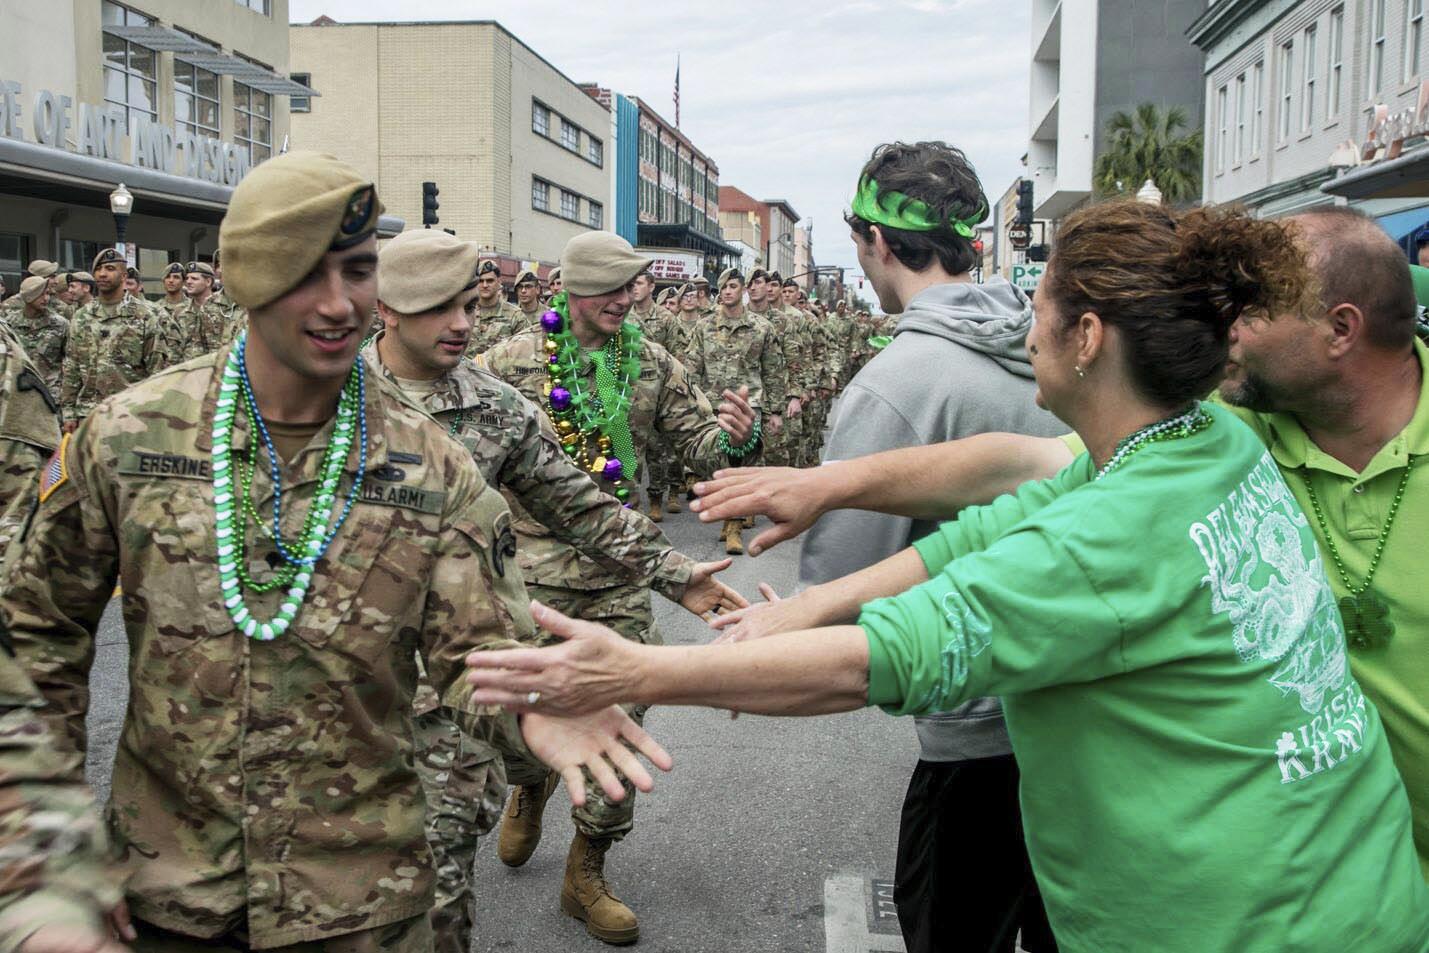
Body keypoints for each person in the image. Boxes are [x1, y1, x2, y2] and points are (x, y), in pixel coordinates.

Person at [468, 200, 1429, 953]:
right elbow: (1003, 492)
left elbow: (877, 663)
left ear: (1087, 338)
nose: (1022, 327)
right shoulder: (1203, 435)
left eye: (1039, 308)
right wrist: (811, 594)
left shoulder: (1115, 535)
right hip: (1342, 881)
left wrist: (634, 673)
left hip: (1243, 923)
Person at [3, 152, 668, 953]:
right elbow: (32, 642)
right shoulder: (127, 435)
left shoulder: (433, 463)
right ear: (243, 273)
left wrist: (535, 704)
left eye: (357, 271)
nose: (337, 303)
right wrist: (47, 861)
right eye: (302, 271)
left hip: (365, 903)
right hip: (164, 895)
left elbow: (478, 650)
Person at [696, 204, 1429, 883]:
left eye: (1253, 310)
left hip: (1322, 859)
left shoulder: (1145, 494)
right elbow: (1017, 470)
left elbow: (899, 652)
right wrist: (829, 494)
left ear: (1340, 329)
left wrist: (628, 674)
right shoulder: (1223, 425)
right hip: (1334, 843)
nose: (1226, 331)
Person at [362, 229, 746, 953]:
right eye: (436, 307)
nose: (460, 323)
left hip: (457, 666)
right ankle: (526, 781)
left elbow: (581, 501)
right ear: (382, 307)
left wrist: (676, 575)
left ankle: (585, 868)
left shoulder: (494, 405)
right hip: (348, 684)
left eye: (467, 304)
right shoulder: (322, 400)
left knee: (438, 885)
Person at [478, 231, 758, 944]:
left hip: (620, 568)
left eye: (631, 288)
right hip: (531, 571)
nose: (625, 301)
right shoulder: (508, 363)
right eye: (610, 289)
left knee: (628, 710)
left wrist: (734, 438)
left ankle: (586, 867)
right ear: (571, 290)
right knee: (522, 716)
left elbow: (697, 442)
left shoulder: (650, 360)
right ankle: (529, 780)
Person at [696, 268, 787, 554]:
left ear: (743, 290)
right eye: (722, 287)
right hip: (713, 405)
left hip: (750, 406)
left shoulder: (761, 328)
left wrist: (775, 411)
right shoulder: (705, 326)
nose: (726, 291)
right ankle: (727, 517)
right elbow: (691, 368)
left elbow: (773, 371)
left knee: (743, 467)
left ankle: (735, 526)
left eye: (733, 286)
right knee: (718, 468)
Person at [58, 249, 161, 431]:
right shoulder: (82, 316)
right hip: (88, 415)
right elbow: (72, 366)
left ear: (123, 276)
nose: (102, 274)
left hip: (129, 415)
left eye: (110, 268)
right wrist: (68, 412)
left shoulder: (143, 317)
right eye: (98, 269)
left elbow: (157, 371)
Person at [3, 277, 67, 397]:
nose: (46, 298)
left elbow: (70, 361)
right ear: (28, 296)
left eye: (47, 293)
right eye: (40, 294)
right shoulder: (9, 323)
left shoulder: (60, 324)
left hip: (50, 395)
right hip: (18, 393)